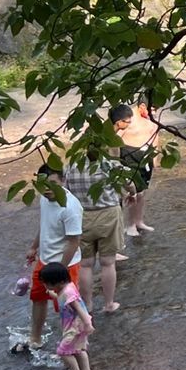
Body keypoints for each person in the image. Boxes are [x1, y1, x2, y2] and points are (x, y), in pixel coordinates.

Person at [17, 162, 82, 354]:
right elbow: (45, 224)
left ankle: (72, 345)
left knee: (67, 306)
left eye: (53, 183)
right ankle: (35, 339)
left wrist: (59, 271)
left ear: (63, 180)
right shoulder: (45, 199)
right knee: (38, 298)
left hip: (65, 265)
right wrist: (34, 247)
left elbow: (73, 241)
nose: (47, 189)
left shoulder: (70, 207)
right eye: (43, 184)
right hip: (44, 260)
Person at [66, 150, 125, 315]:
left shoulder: (71, 165)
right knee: (108, 262)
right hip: (108, 215)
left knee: (85, 264)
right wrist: (132, 193)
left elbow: (66, 190)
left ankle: (88, 304)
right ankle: (109, 303)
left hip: (81, 216)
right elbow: (129, 184)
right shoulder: (110, 164)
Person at [111, 102, 160, 238]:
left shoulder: (152, 119)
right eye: (151, 109)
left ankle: (139, 221)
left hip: (146, 156)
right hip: (129, 154)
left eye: (155, 109)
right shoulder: (128, 119)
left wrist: (155, 157)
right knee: (132, 193)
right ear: (142, 106)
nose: (153, 112)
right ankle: (130, 225)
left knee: (142, 192)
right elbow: (115, 138)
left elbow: (155, 135)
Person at [41, 262, 94, 370]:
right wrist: (49, 293)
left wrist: (88, 323)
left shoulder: (68, 293)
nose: (45, 285)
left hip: (75, 327)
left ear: (57, 282)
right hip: (78, 326)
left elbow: (79, 308)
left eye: (46, 283)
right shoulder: (67, 287)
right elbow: (60, 297)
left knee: (62, 351)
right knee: (78, 349)